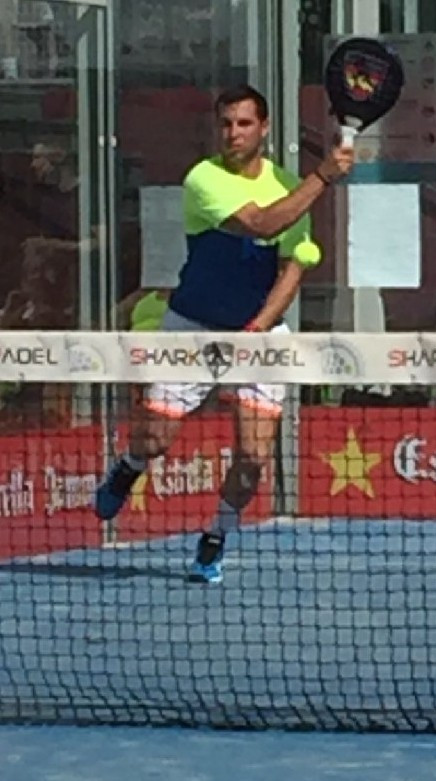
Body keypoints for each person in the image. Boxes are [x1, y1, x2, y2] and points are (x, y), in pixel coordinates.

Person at [94, 84, 354, 583]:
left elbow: (294, 265)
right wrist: (323, 175)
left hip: (259, 335)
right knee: (155, 439)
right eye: (226, 124)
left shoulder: (287, 185)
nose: (233, 133)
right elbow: (260, 225)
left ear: (264, 128)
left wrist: (259, 326)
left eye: (244, 123)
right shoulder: (203, 178)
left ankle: (216, 538)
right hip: (192, 327)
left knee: (254, 457)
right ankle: (128, 467)